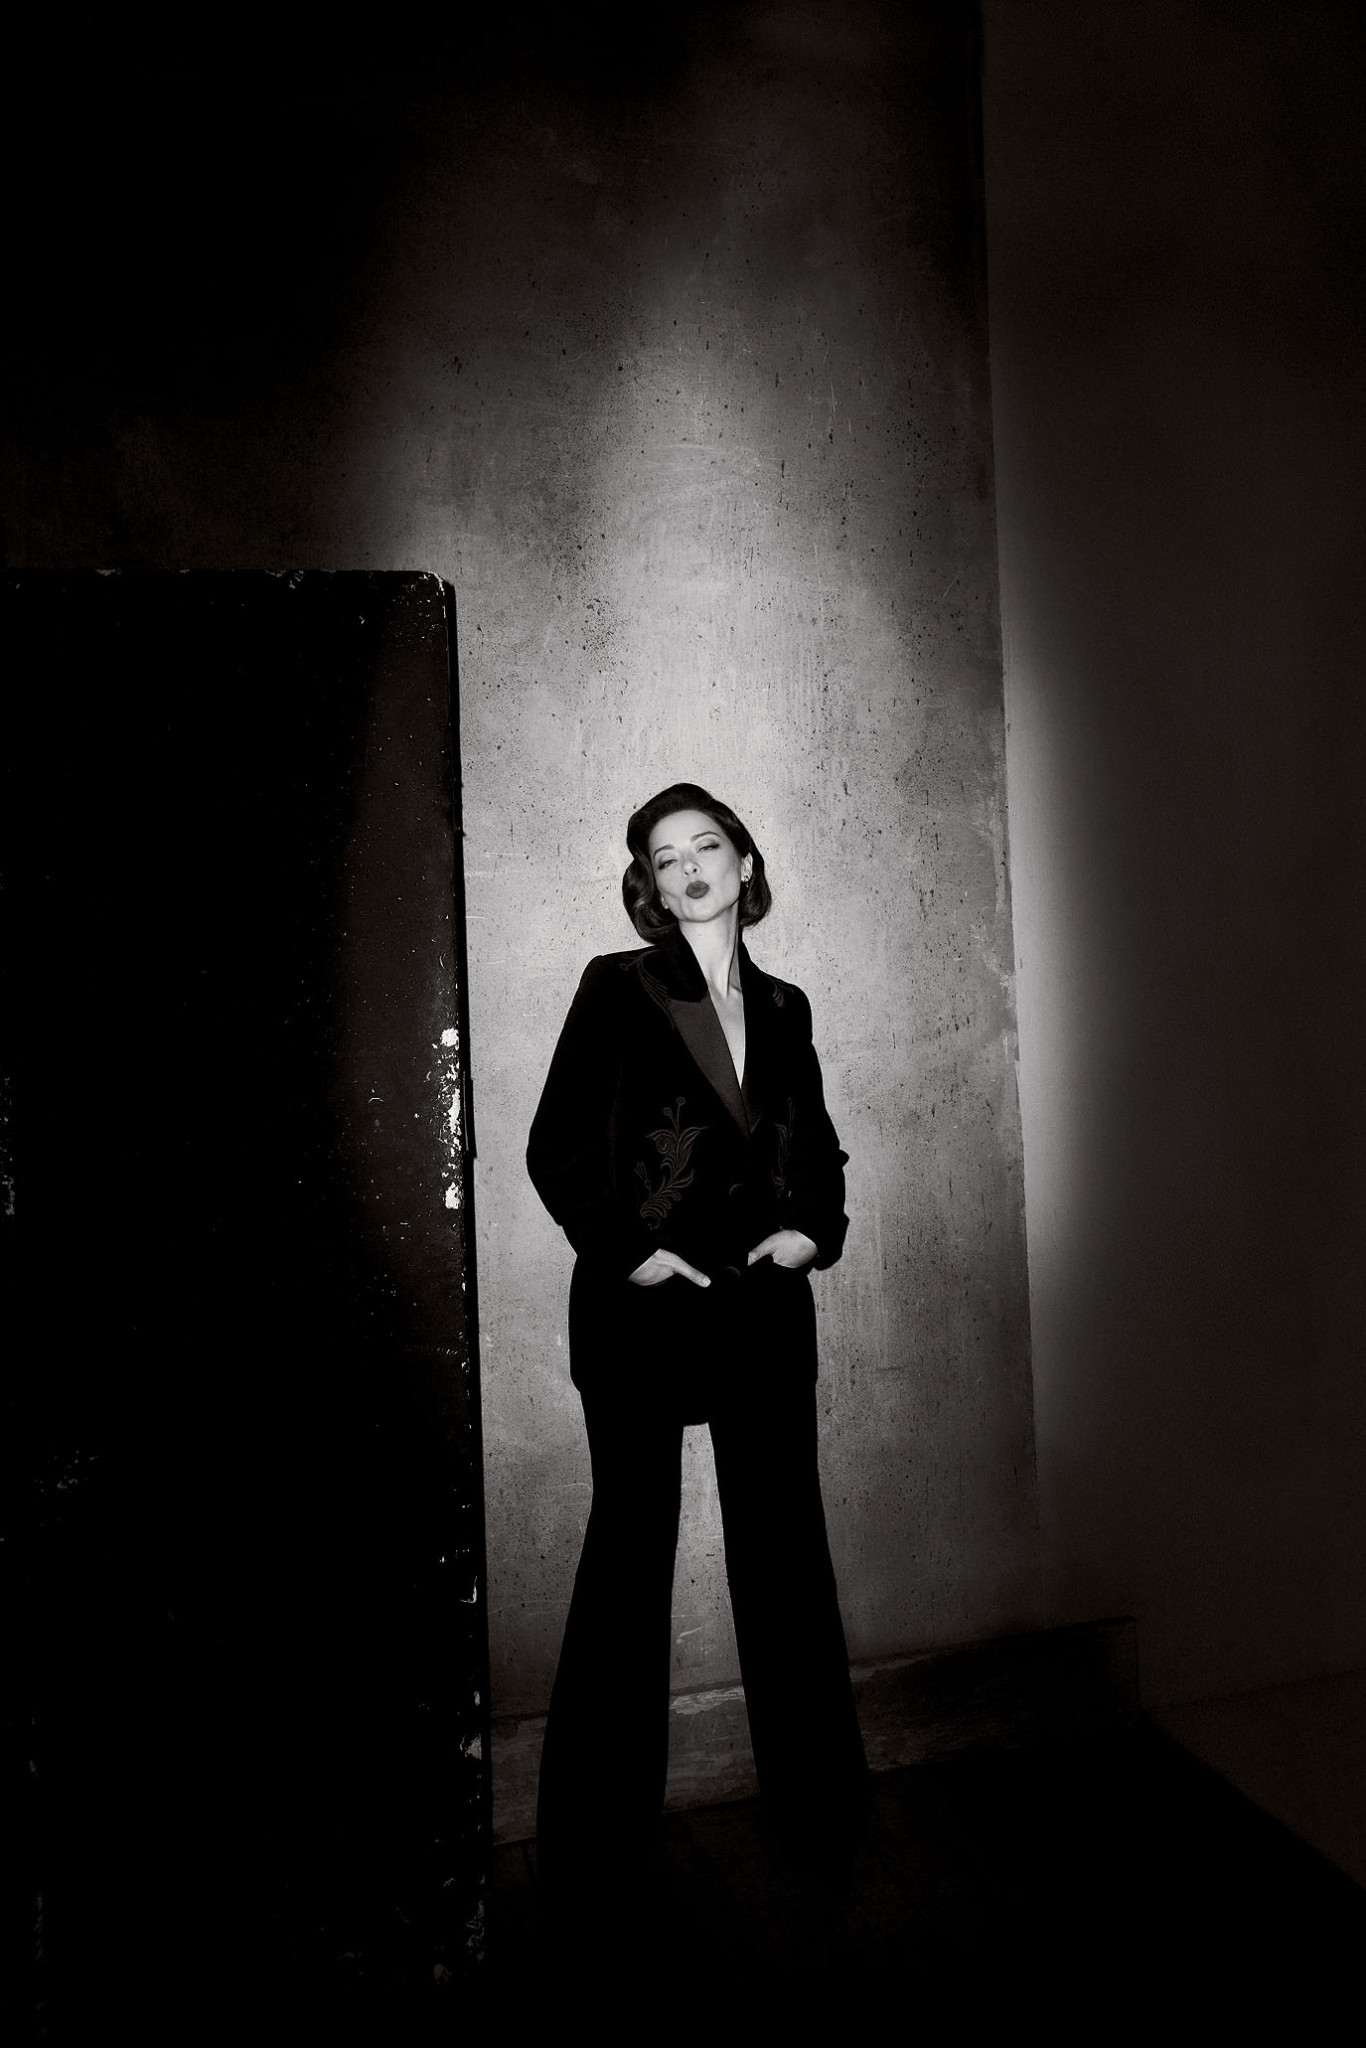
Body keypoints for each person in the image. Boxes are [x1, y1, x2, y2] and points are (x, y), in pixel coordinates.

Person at [526, 782, 868, 1935]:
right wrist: (630, 1251)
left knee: (786, 1559)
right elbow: (557, 1144)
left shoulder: (784, 1003)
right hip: (641, 1317)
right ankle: (591, 1852)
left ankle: (822, 1818)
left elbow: (817, 1148)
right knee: (628, 1564)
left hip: (762, 1316)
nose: (686, 867)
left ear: (743, 858)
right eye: (662, 856)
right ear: (649, 884)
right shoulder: (613, 986)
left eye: (703, 844)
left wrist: (811, 1228)